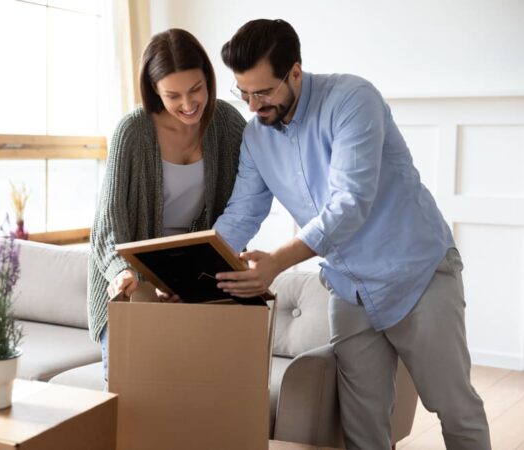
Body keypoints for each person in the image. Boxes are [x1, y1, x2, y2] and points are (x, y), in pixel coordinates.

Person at [213, 19, 491, 449]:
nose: (252, 105)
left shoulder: (352, 100)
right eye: (243, 92)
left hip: (416, 274)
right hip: (350, 289)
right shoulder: (256, 138)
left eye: (263, 92)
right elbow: (242, 212)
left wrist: (277, 263)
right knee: (362, 429)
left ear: (296, 72)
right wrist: (193, 261)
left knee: (454, 407)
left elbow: (350, 202)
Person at [88, 28, 245, 382]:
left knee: (206, 393)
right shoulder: (133, 130)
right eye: (173, 95)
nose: (188, 105)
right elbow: (107, 222)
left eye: (196, 90)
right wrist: (123, 275)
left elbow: (244, 202)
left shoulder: (227, 124)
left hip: (199, 275)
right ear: (154, 90)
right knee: (136, 397)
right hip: (133, 277)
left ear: (209, 79)